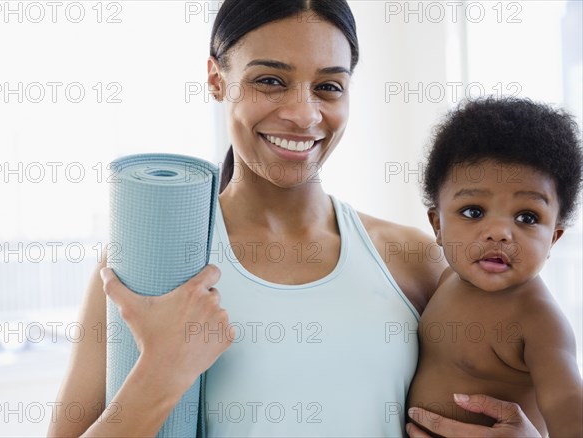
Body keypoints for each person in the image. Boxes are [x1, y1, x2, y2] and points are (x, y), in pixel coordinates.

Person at [48, 1, 541, 436]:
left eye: (327, 86)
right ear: (217, 79)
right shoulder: (147, 266)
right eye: (270, 81)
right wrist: (162, 370)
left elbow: (511, 400)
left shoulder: (412, 259)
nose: (304, 115)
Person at [407, 97, 583, 438]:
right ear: (437, 226)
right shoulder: (444, 281)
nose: (499, 233)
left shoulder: (538, 319)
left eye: (527, 217)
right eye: (474, 211)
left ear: (554, 239)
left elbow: (567, 401)